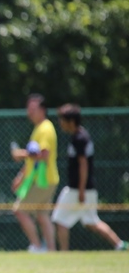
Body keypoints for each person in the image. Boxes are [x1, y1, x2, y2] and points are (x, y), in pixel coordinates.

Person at [52, 104, 127, 251]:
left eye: (62, 120)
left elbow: (83, 165)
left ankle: (63, 254)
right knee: (91, 222)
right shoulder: (80, 136)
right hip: (84, 188)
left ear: (71, 121)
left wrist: (81, 190)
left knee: (60, 220)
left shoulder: (79, 138)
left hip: (77, 189)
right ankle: (119, 244)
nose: (60, 123)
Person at [11, 94, 59, 253]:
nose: (29, 112)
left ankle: (37, 246)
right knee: (42, 215)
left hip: (42, 181)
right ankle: (51, 250)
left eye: (33, 109)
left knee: (20, 210)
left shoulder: (45, 128)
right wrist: (21, 176)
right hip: (46, 179)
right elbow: (33, 161)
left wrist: (21, 154)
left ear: (43, 110)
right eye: (28, 108)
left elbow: (43, 155)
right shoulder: (40, 128)